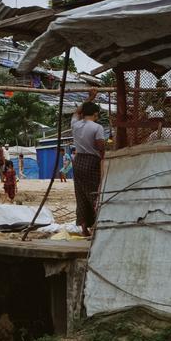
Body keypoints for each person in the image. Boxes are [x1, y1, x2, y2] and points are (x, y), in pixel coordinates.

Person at [72, 96, 105, 236]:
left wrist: (89, 98)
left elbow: (76, 112)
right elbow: (100, 147)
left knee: (80, 194)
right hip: (92, 161)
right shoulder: (97, 127)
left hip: (78, 160)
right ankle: (97, 225)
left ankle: (84, 228)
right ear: (96, 114)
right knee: (95, 194)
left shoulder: (75, 124)